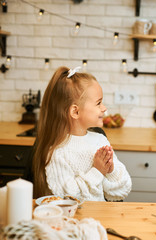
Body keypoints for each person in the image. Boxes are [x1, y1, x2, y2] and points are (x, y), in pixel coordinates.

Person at [32, 66, 132, 201]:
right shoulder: (58, 152)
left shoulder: (100, 141)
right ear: (75, 112)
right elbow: (67, 199)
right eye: (98, 103)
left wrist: (110, 170)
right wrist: (97, 172)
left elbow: (122, 190)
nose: (104, 108)